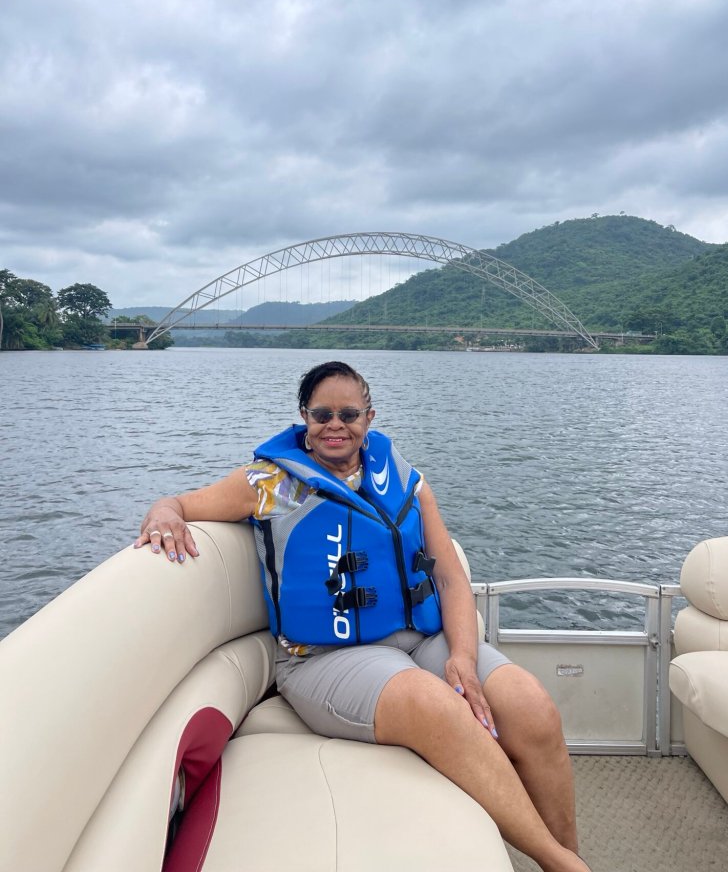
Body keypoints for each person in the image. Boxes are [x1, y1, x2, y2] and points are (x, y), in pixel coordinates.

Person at [135, 360, 589, 872]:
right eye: (321, 413)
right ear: (303, 418)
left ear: (369, 417)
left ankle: (570, 851)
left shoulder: (407, 482)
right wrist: (164, 514)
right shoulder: (270, 483)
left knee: (530, 705)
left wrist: (462, 655)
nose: (335, 424)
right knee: (435, 704)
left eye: (348, 413)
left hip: (419, 640)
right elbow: (178, 502)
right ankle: (562, 865)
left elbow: (448, 579)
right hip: (324, 660)